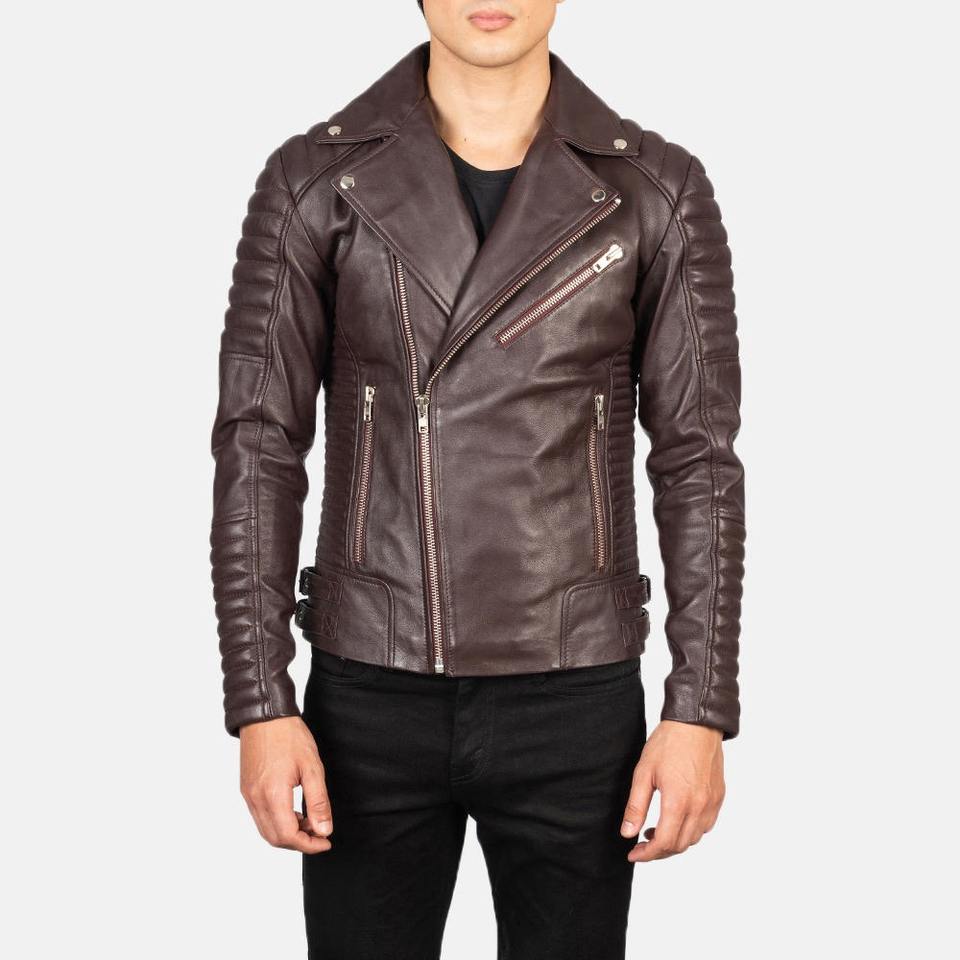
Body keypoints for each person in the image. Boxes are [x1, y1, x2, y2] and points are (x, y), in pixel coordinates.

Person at [209, 2, 745, 957]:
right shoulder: (314, 182)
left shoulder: (655, 189)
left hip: (575, 696)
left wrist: (699, 707)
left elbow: (698, 460)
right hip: (370, 692)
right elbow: (258, 445)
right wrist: (261, 700)